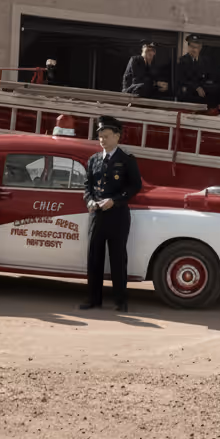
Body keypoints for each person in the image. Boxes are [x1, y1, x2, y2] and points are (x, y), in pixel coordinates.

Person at [81, 116, 142, 312]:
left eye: (106, 136)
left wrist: (115, 200)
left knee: (117, 258)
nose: (102, 140)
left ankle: (120, 301)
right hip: (97, 215)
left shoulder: (126, 160)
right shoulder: (94, 160)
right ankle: (93, 299)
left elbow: (135, 186)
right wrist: (89, 200)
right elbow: (87, 186)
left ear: (117, 136)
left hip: (117, 215)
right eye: (100, 137)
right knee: (94, 258)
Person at [176, 34, 220, 107]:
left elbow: (210, 77)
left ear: (200, 48)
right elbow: (181, 80)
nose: (193, 49)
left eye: (195, 47)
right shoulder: (182, 61)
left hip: (203, 98)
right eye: (191, 47)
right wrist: (196, 87)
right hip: (188, 97)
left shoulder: (206, 61)